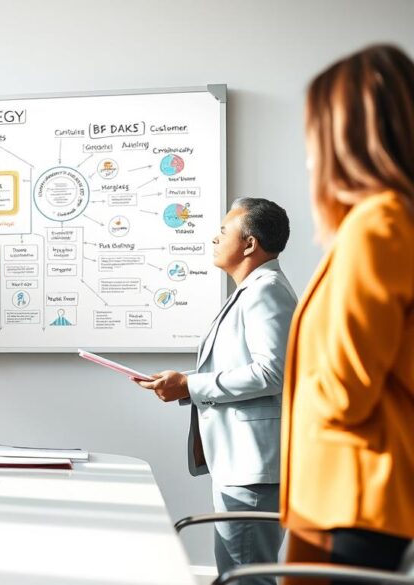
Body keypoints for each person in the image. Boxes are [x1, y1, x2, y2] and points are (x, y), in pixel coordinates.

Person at [280, 44, 414, 582]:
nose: (311, 157)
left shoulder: (376, 224)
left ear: (345, 136)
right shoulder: (391, 219)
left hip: (349, 492)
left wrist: (293, 400)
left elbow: (345, 391)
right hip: (350, 493)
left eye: (314, 136)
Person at [138, 197, 297, 582]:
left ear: (249, 244)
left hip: (254, 466)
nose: (214, 238)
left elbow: (272, 372)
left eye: (224, 231)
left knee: (245, 575)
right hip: (241, 462)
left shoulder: (266, 290)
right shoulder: (252, 290)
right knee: (241, 571)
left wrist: (191, 385)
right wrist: (183, 384)